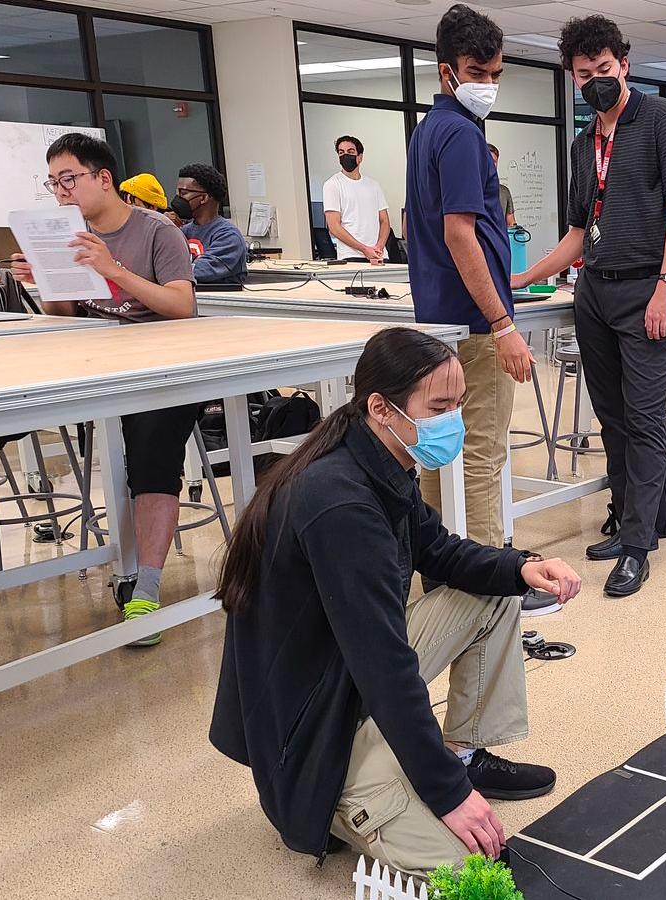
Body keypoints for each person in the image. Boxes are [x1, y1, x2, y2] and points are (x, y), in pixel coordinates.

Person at [209, 327, 579, 877]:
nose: (451, 420)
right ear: (381, 407)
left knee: (501, 591)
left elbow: (437, 548)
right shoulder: (340, 502)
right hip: (314, 742)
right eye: (438, 406)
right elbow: (384, 669)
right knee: (469, 869)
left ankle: (465, 755)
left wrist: (522, 566)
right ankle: (350, 800)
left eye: (458, 404)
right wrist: (449, 796)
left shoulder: (378, 459)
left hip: (340, 686)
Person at [0, 133, 199, 645]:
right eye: (54, 183)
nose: (61, 192)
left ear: (102, 178)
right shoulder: (70, 234)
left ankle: (146, 587)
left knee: (154, 454)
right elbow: (67, 315)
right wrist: (42, 283)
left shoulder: (156, 233)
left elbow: (182, 307)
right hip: (90, 363)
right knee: (0, 401)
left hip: (160, 368)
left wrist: (114, 269)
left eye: (69, 179)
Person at [512, 15, 666, 598]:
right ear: (573, 78)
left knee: (644, 420)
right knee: (611, 417)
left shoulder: (662, 120)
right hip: (593, 291)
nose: (596, 81)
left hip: (647, 290)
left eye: (605, 70)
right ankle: (626, 520)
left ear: (625, 65)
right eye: (584, 74)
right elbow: (576, 233)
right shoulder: (581, 141)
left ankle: (639, 547)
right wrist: (521, 276)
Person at [408, 6, 541, 598]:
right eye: (476, 71)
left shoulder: (429, 130)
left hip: (441, 320)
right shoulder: (461, 134)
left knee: (444, 460)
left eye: (495, 71)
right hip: (474, 327)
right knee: (482, 458)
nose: (488, 83)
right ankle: (490, 594)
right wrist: (503, 322)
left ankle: (444, 574)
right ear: (447, 72)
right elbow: (460, 232)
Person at [174, 163, 247, 285]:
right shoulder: (182, 231)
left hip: (217, 303)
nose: (178, 199)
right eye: (178, 193)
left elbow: (202, 270)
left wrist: (165, 271)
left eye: (183, 193)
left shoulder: (228, 235)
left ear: (203, 198)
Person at [324, 135, 391, 264]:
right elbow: (333, 226)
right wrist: (364, 249)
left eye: (350, 152)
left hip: (379, 255)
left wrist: (379, 246)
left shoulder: (374, 185)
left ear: (360, 157)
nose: (345, 156)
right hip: (351, 256)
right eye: (341, 152)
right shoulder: (332, 184)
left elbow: (384, 221)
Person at [487, 144, 516, 229]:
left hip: (499, 240)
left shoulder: (504, 191)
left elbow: (511, 223)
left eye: (494, 162)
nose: (492, 165)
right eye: (489, 161)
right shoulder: (472, 190)